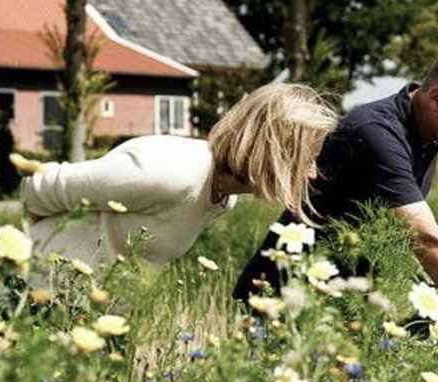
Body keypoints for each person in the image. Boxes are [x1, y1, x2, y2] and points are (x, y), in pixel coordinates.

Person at [233, 44, 438, 313]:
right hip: (279, 298)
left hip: (334, 304)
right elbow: (426, 240)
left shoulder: (427, 136)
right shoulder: (376, 133)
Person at [19, 83, 338, 276]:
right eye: (306, 158)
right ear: (272, 151)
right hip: (30, 293)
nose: (312, 172)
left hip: (81, 314)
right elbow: (39, 188)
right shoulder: (172, 172)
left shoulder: (223, 197)